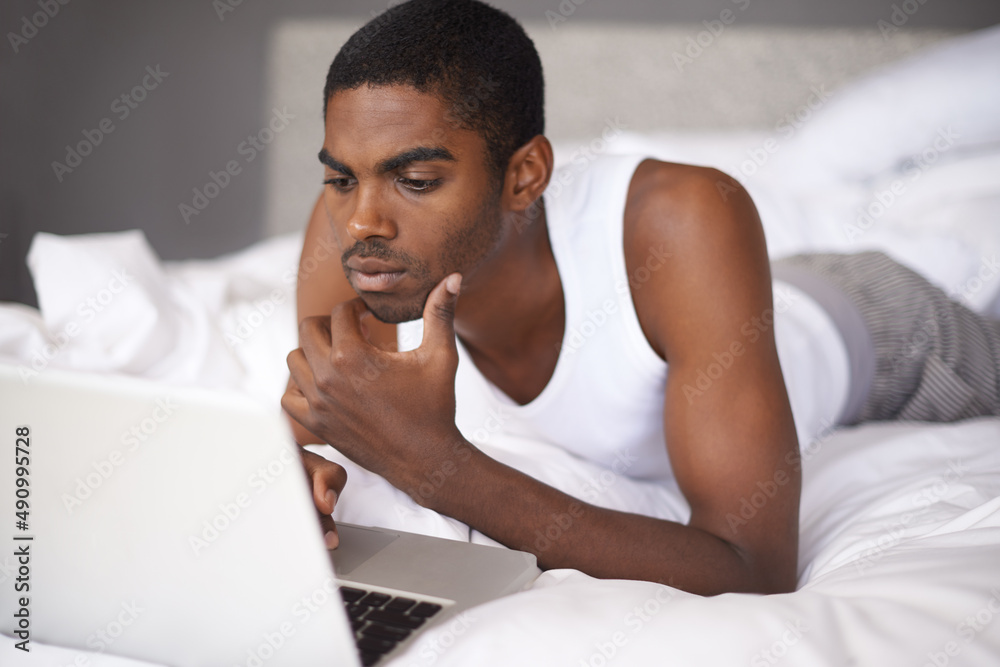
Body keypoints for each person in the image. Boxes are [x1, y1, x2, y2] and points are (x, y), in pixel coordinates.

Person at [280, 0, 1000, 596]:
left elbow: (753, 569)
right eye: (342, 177)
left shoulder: (689, 213)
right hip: (727, 305)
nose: (363, 219)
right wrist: (294, 480)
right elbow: (311, 422)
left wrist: (437, 466)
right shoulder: (355, 233)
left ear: (525, 174)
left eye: (416, 179)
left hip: (887, 329)